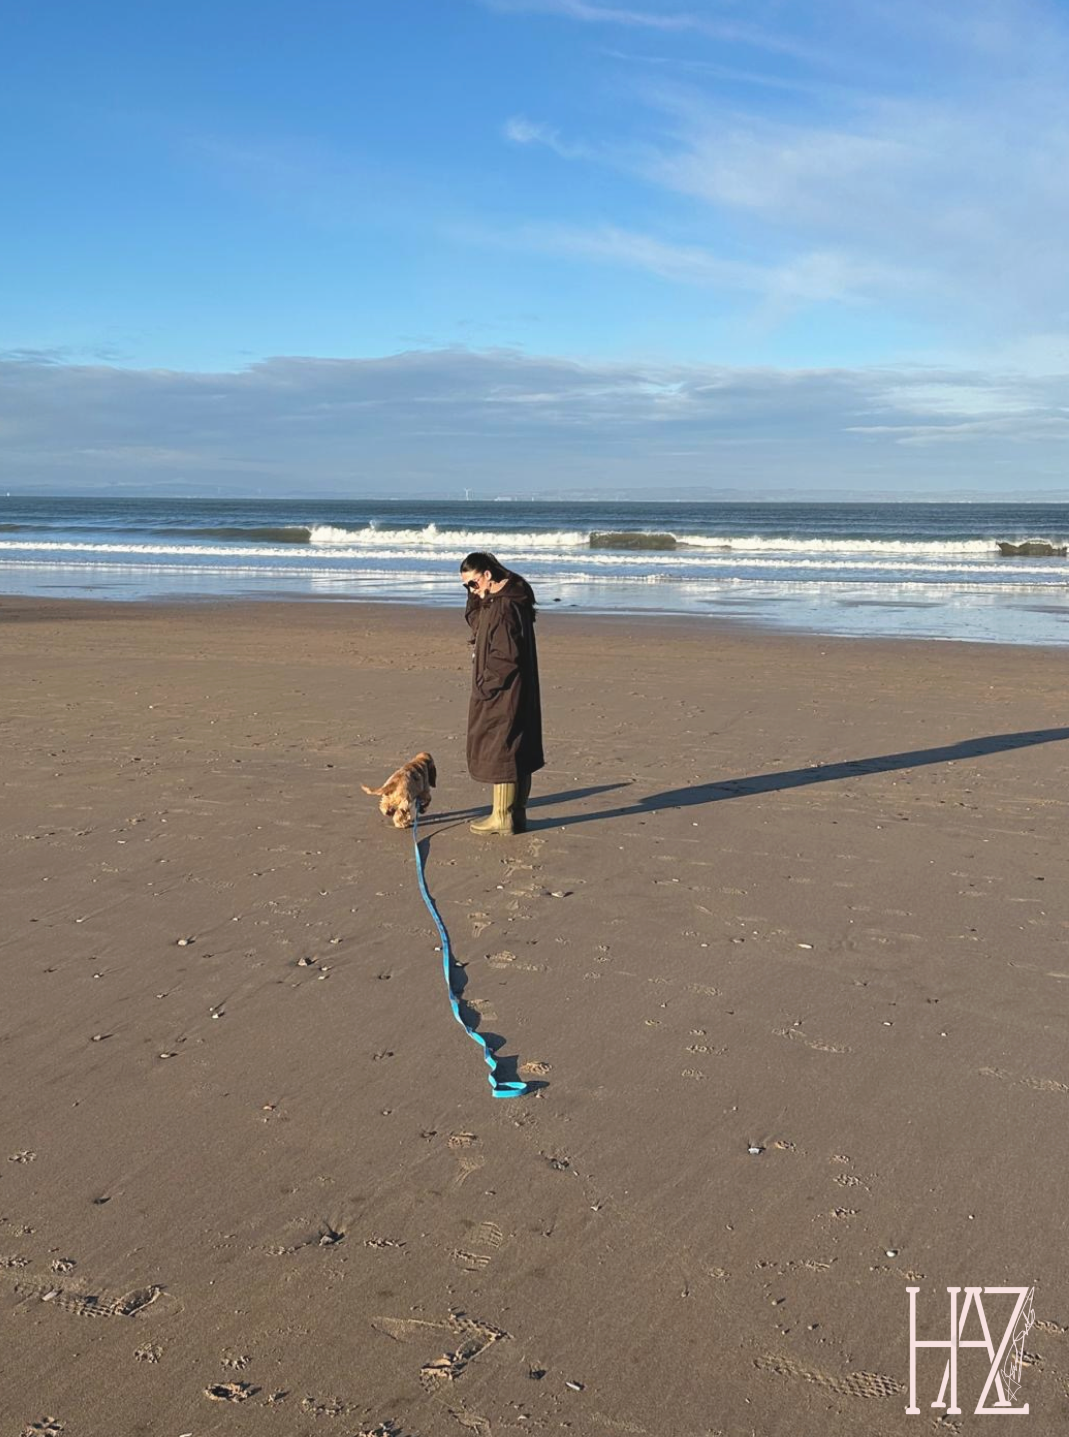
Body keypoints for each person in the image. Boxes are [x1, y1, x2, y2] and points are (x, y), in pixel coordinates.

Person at [460, 551, 544, 835]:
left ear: (487, 574)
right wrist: (476, 596)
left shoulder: (505, 606)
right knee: (517, 746)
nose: (472, 590)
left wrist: (486, 685)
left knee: (503, 748)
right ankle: (516, 815)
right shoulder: (498, 600)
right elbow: (477, 624)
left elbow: (506, 656)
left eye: (473, 583)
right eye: (466, 587)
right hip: (513, 687)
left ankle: (502, 816)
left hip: (504, 690)